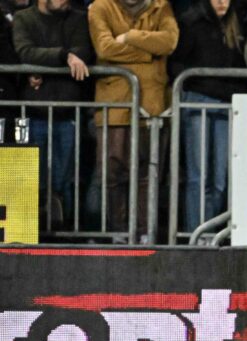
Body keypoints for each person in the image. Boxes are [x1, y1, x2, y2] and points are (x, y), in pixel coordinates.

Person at [88, 0, 179, 238]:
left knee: (147, 174)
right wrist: (150, 52)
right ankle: (117, 233)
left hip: (152, 106)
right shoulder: (101, 7)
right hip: (115, 105)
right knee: (111, 173)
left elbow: (169, 42)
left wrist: (129, 36)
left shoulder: (162, 7)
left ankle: (144, 232)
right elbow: (105, 48)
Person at [169, 0, 247, 232]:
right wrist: (193, 86)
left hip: (226, 104)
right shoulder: (191, 22)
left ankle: (209, 231)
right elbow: (176, 64)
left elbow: (243, 67)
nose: (222, 2)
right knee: (198, 176)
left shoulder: (238, 25)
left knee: (219, 180)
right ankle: (197, 232)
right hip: (198, 101)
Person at [12, 0, 93, 227]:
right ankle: (32, 233)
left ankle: (62, 234)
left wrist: (45, 64)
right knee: (31, 180)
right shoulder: (24, 18)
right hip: (33, 113)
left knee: (64, 180)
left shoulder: (77, 18)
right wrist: (65, 57)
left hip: (68, 113)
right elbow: (25, 52)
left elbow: (84, 51)